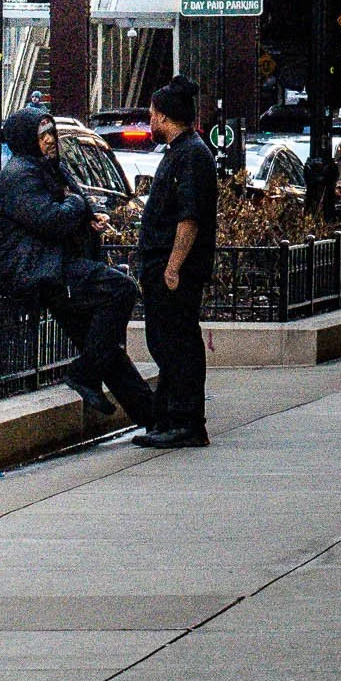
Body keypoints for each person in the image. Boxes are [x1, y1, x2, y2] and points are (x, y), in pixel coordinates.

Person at [0, 107, 154, 427]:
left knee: (104, 350)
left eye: (52, 133)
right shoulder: (20, 174)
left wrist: (86, 219)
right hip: (42, 274)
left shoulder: (47, 168)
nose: (50, 140)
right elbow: (53, 220)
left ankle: (151, 416)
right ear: (27, 139)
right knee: (121, 289)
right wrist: (79, 206)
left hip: (56, 268)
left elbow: (64, 215)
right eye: (43, 135)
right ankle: (84, 374)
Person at [132, 73, 217, 450]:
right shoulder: (181, 153)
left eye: (152, 114)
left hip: (175, 272)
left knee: (177, 343)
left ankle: (185, 421)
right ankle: (168, 418)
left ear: (165, 117)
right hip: (164, 268)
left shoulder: (192, 156)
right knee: (165, 342)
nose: (150, 121)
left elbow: (189, 218)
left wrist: (172, 267)